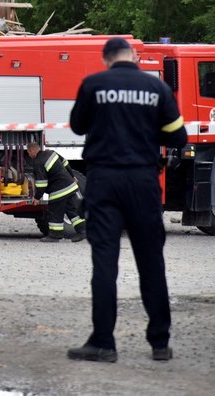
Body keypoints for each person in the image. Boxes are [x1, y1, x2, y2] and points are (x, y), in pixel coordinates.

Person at [68, 37, 188, 363]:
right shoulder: (156, 88)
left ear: (105, 59)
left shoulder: (94, 84)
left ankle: (104, 343)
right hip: (143, 181)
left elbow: (77, 126)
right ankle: (160, 343)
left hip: (104, 181)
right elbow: (178, 136)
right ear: (134, 56)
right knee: (151, 262)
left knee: (105, 263)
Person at [26, 141, 87, 243]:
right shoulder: (51, 153)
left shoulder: (38, 163)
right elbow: (65, 163)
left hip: (59, 191)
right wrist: (72, 176)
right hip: (70, 186)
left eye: (28, 152)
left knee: (54, 212)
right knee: (72, 210)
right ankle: (83, 231)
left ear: (32, 150)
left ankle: (55, 236)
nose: (29, 155)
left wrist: (36, 198)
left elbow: (42, 184)